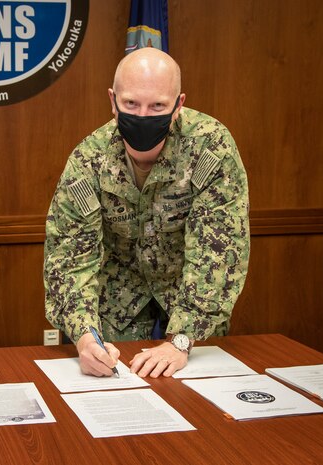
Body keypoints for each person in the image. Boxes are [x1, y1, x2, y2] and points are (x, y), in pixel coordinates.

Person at [44, 47, 250, 378]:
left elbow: (220, 252)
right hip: (118, 295)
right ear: (112, 101)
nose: (142, 115)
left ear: (179, 105)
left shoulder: (210, 149)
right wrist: (85, 339)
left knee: (200, 398)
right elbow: (69, 260)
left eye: (157, 106)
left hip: (194, 293)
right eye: (130, 104)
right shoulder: (88, 161)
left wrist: (182, 340)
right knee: (112, 385)